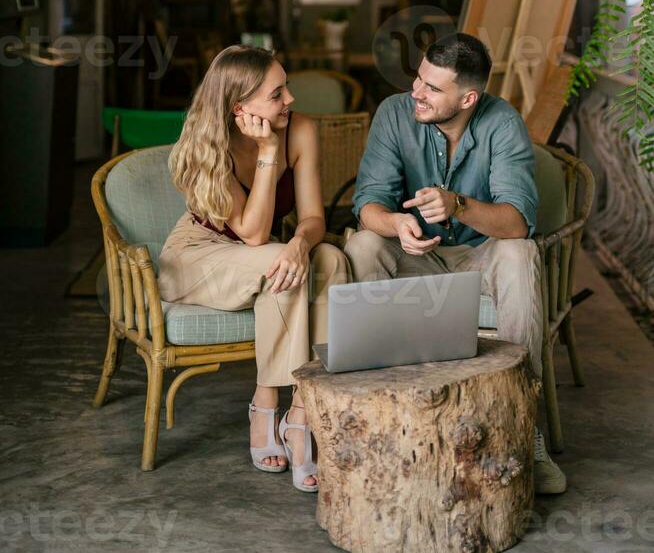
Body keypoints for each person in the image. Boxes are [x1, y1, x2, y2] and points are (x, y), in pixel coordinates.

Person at [345, 31, 566, 495]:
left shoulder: (503, 123)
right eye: (418, 78)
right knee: (364, 244)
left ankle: (523, 427)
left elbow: (517, 224)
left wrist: (457, 205)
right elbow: (368, 203)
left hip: (476, 258)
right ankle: (381, 415)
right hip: (413, 256)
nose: (416, 93)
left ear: (468, 97)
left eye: (431, 88)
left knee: (520, 251)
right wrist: (395, 225)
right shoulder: (393, 113)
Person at [158, 46, 350, 492]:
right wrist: (267, 150)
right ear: (239, 108)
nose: (291, 101)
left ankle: (301, 413)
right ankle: (265, 403)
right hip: (197, 256)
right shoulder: (208, 144)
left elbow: (314, 219)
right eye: (277, 93)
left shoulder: (301, 131)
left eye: (287, 88)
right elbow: (255, 235)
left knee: (331, 259)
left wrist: (301, 243)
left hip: (263, 254)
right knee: (277, 262)